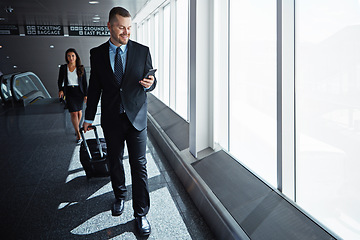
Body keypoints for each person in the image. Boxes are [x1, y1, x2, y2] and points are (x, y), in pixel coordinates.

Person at [82, 7, 156, 236]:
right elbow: (95, 88)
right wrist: (88, 117)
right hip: (112, 118)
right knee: (114, 160)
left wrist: (151, 83)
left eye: (129, 27)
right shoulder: (97, 54)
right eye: (122, 27)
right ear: (110, 26)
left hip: (136, 117)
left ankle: (141, 213)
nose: (127, 32)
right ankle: (120, 195)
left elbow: (151, 80)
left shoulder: (142, 51)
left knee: (139, 165)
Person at [58, 48, 87, 143]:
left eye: (73, 56)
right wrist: (61, 90)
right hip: (69, 92)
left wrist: (86, 95)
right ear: (66, 57)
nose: (71, 58)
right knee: (73, 113)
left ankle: (77, 127)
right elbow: (60, 80)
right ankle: (78, 133)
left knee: (79, 112)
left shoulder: (81, 68)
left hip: (79, 92)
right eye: (69, 56)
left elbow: (85, 82)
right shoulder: (63, 68)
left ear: (76, 57)